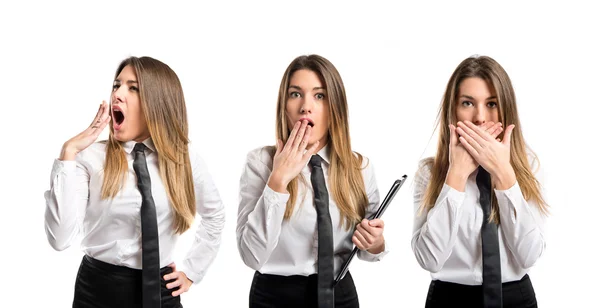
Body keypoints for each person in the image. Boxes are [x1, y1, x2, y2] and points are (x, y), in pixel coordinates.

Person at [44, 56, 225, 308]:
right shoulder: (91, 159)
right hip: (98, 292)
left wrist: (193, 271)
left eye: (133, 88)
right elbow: (59, 239)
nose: (117, 94)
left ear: (157, 101)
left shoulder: (184, 158)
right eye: (116, 85)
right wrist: (69, 152)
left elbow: (215, 215)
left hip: (162, 292)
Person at [236, 54, 387, 308]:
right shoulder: (260, 162)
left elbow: (369, 250)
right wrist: (278, 180)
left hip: (341, 294)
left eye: (320, 95)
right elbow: (251, 256)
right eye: (296, 94)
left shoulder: (359, 167)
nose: (306, 106)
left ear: (334, 107)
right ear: (284, 105)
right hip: (274, 297)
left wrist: (375, 243)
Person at [412, 55, 549, 308]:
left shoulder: (528, 165)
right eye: (467, 103)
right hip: (449, 299)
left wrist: (503, 174)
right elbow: (429, 260)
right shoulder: (429, 173)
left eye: (492, 103)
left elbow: (529, 255)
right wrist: (456, 176)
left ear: (506, 109)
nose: (479, 117)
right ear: (452, 111)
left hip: (515, 299)